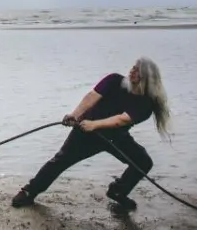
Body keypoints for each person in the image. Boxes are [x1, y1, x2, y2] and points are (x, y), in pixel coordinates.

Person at [11, 58, 171, 211]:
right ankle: (29, 192)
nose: (133, 70)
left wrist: (95, 125)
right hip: (85, 133)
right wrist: (75, 114)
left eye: (138, 70)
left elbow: (122, 120)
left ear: (148, 78)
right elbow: (92, 96)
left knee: (143, 162)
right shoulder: (114, 80)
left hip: (115, 137)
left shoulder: (147, 103)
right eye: (134, 67)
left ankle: (118, 191)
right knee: (60, 160)